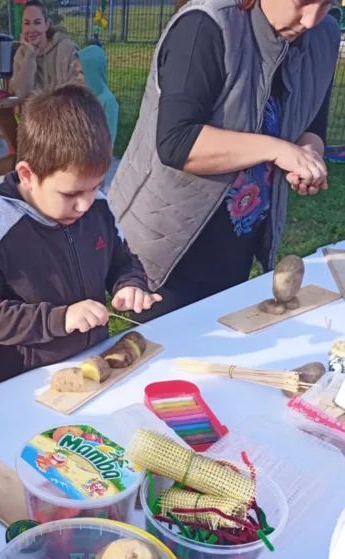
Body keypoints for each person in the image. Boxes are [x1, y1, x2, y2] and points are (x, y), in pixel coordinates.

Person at [108, 0, 340, 321]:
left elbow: (312, 127)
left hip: (235, 243)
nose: (313, 19)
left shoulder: (323, 38)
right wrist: (277, 149)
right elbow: (178, 142)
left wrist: (307, 156)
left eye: (327, 3)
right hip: (168, 247)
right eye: (302, 2)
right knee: (171, 355)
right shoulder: (206, 27)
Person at [0, 85, 158, 388]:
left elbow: (122, 260)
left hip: (93, 366)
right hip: (28, 384)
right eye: (71, 193)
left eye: (95, 186)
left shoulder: (97, 207)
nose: (85, 203)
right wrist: (58, 319)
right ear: (27, 175)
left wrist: (129, 283)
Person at [10, 0, 85, 99]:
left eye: (37, 22)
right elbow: (21, 93)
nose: (31, 29)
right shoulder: (21, 54)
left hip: (64, 111)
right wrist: (29, 57)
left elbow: (78, 90)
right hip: (35, 113)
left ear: (47, 24)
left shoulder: (66, 48)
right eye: (27, 23)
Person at [79, 43, 118, 147]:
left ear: (94, 73)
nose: (78, 77)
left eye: (82, 73)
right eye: (76, 72)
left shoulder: (107, 100)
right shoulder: (82, 95)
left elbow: (110, 135)